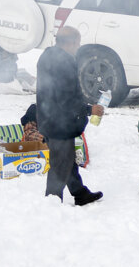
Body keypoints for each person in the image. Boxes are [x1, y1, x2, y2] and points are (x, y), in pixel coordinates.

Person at [36, 26, 104, 205]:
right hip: (60, 123)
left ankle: (80, 193)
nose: (78, 46)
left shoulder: (47, 56)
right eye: (78, 43)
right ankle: (52, 202)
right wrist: (89, 110)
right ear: (72, 42)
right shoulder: (64, 63)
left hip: (48, 118)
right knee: (60, 165)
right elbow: (67, 98)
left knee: (66, 160)